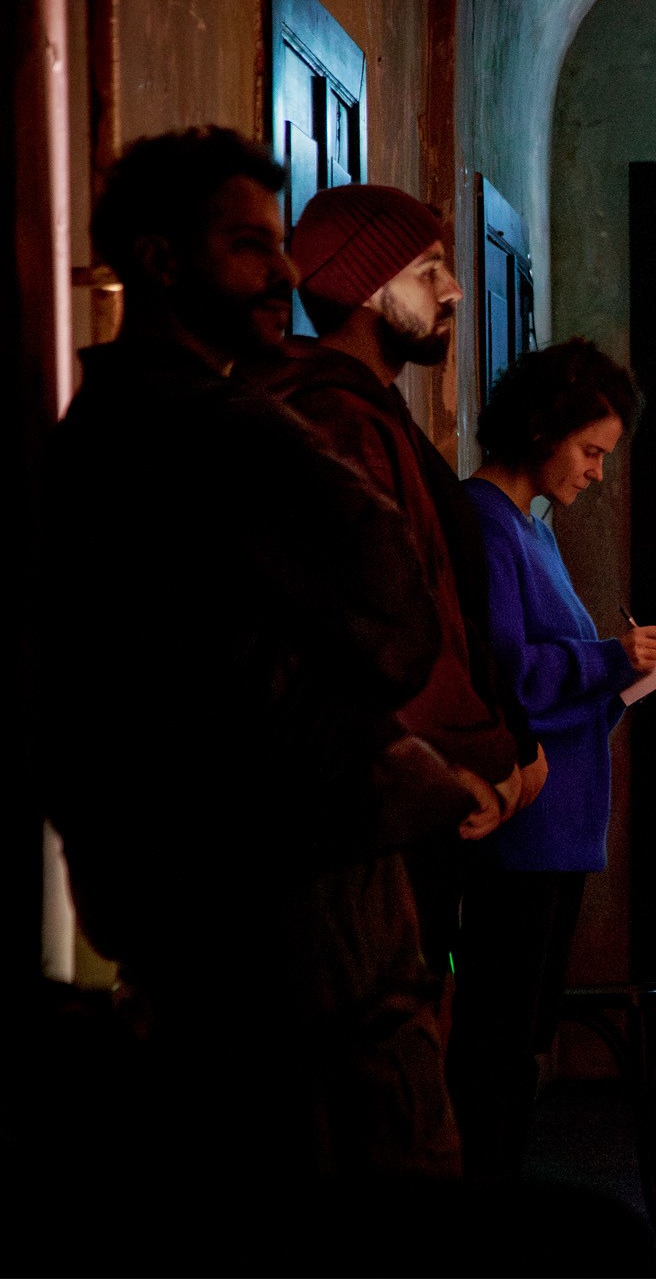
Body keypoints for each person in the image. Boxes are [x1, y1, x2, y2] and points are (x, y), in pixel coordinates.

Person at [41, 129, 477, 1179]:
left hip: (189, 909)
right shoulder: (220, 432)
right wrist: (363, 747)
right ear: (160, 261)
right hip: (304, 916)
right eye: (247, 245)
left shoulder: (94, 434)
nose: (284, 273)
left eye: (279, 243)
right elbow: (398, 619)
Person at [242, 184, 544, 979]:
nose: (455, 290)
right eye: (429, 269)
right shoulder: (338, 422)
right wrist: (480, 753)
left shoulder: (369, 411)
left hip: (393, 790)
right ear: (369, 287)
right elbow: (388, 623)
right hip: (369, 802)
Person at [448, 339, 656, 1178]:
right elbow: (503, 679)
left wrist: (620, 673)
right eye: (590, 452)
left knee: (521, 1040)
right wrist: (607, 661)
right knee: (499, 1043)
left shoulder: (532, 528)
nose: (597, 475)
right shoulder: (485, 521)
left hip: (556, 831)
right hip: (523, 835)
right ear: (542, 429)